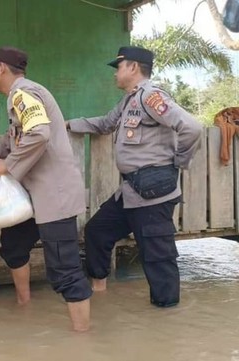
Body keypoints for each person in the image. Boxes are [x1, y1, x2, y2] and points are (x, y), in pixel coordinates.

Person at [0, 47, 92, 332]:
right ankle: (24, 307)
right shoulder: (19, 97)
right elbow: (11, 140)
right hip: (34, 197)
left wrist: (9, 165)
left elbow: (39, 134)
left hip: (55, 197)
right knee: (13, 247)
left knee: (64, 270)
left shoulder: (22, 94)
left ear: (1, 67)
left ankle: (83, 337)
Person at [66, 46, 203, 307]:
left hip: (153, 194)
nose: (115, 73)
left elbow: (192, 128)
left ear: (132, 67)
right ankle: (99, 291)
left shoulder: (151, 97)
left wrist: (178, 162)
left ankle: (166, 318)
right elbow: (106, 124)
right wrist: (71, 124)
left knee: (157, 259)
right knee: (97, 232)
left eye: (118, 67)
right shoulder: (130, 99)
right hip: (130, 192)